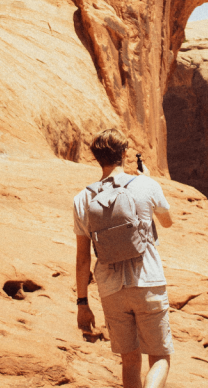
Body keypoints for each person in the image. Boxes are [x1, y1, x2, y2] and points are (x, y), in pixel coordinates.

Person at [74, 129, 174, 388]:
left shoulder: (83, 198)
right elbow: (167, 222)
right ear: (125, 154)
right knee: (160, 358)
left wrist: (82, 302)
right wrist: (148, 181)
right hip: (148, 282)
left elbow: (82, 258)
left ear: (97, 158)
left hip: (111, 289)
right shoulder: (146, 185)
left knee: (129, 361)